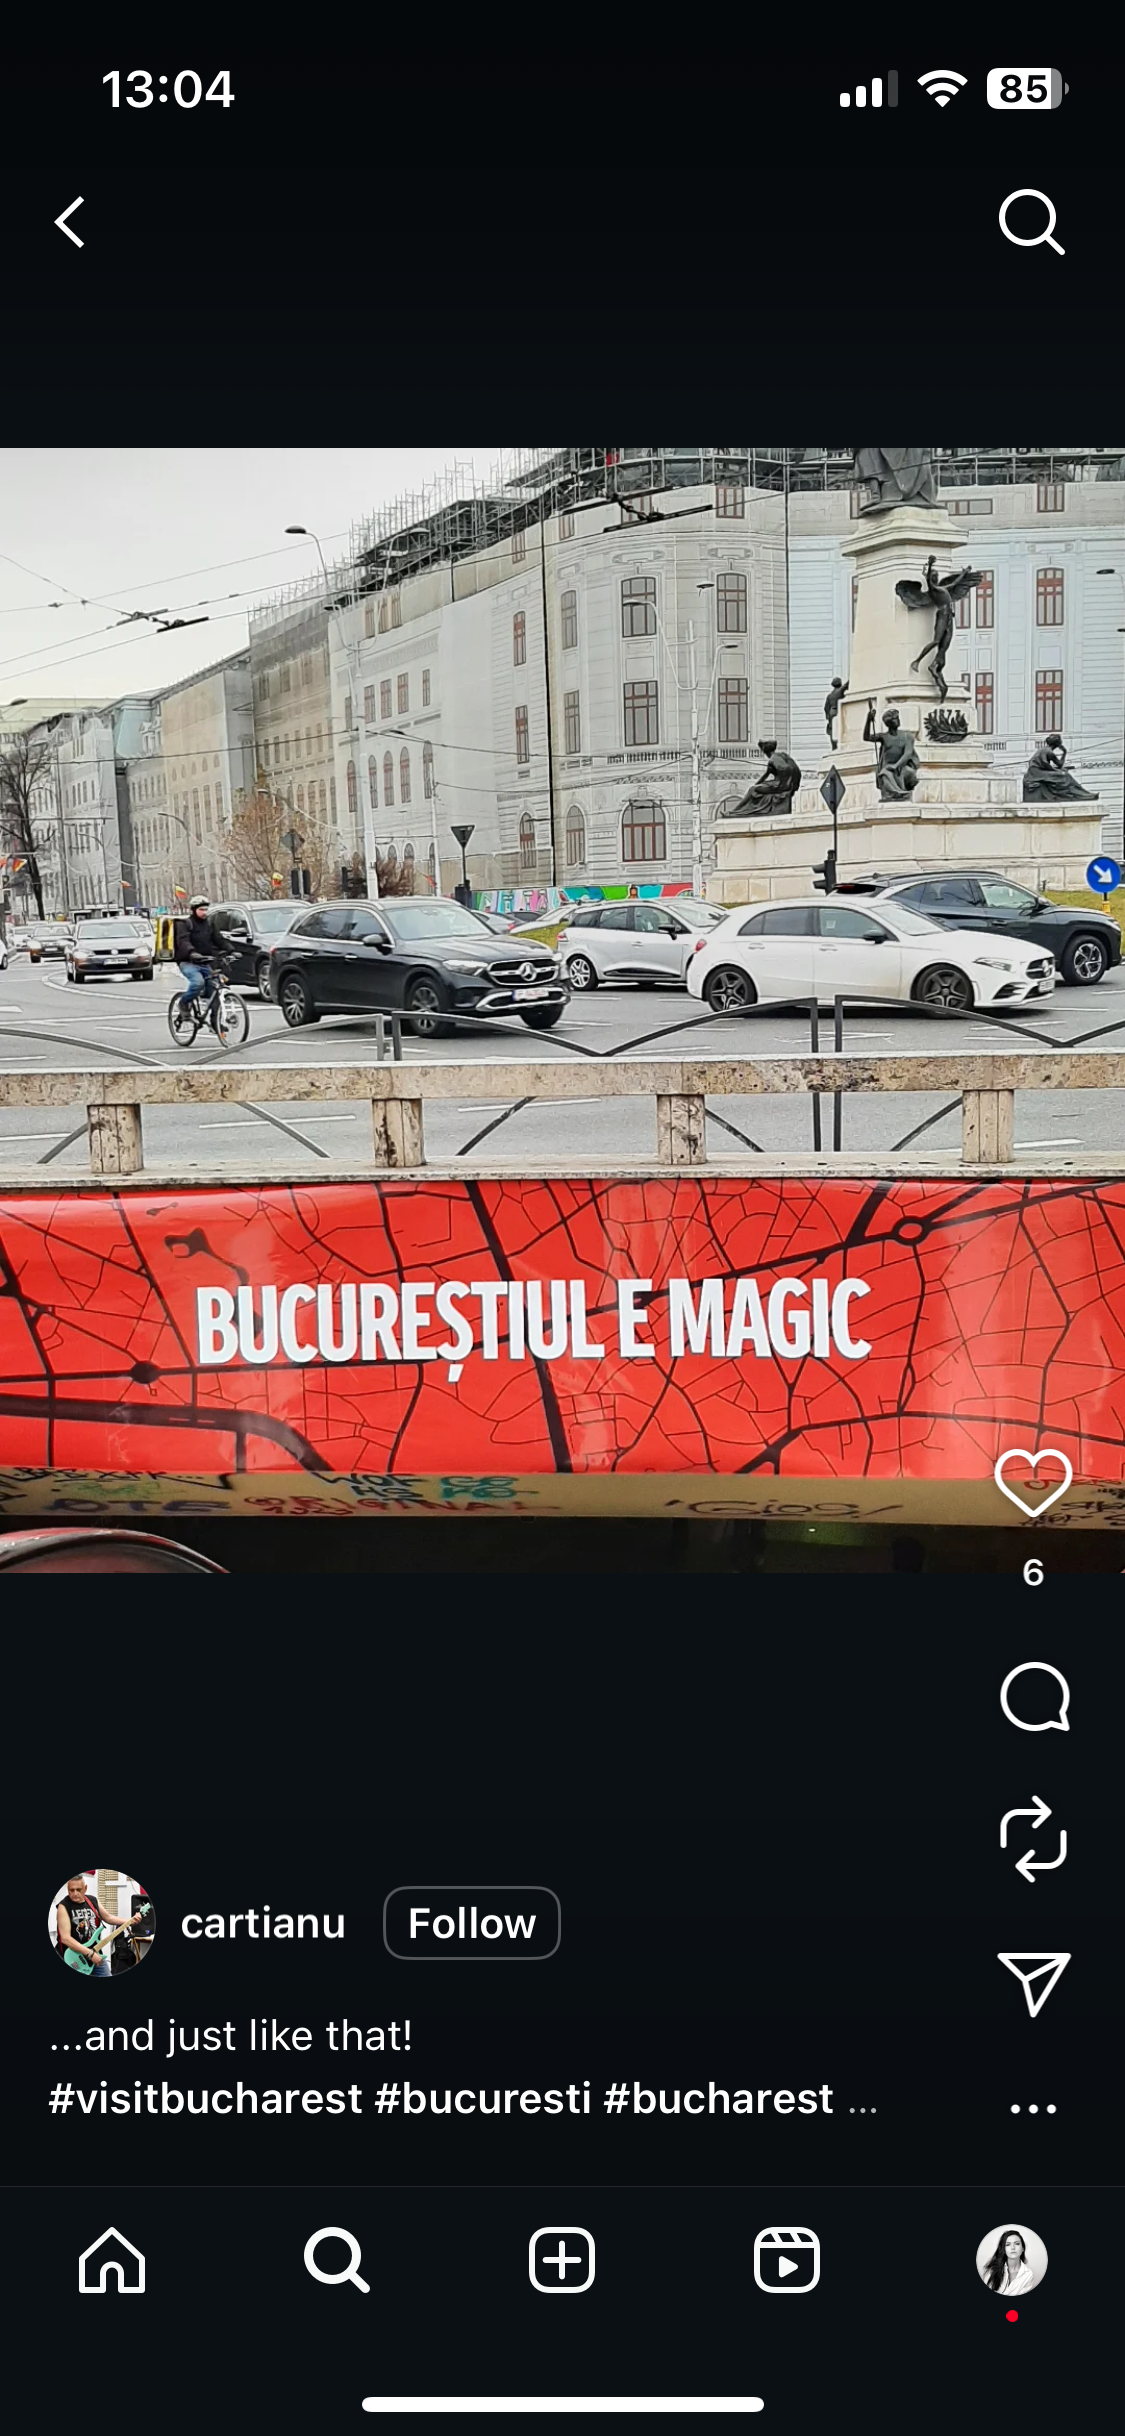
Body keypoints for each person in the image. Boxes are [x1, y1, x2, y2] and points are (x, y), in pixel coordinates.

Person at [55, 1875, 143, 1977]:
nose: (75, 1893)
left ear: (85, 1888)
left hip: (95, 1952)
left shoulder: (92, 1901)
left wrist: (130, 1921)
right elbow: (65, 1938)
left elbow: (109, 1918)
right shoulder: (63, 1906)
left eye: (78, 1890)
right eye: (71, 1890)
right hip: (73, 1957)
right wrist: (89, 1954)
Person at [173, 895, 221, 1028]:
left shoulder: (209, 924)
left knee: (215, 991)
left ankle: (215, 1023)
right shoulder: (185, 924)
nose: (204, 912)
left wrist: (231, 950)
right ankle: (184, 1003)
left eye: (206, 909)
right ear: (194, 910)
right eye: (201, 910)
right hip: (188, 961)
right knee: (197, 982)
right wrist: (192, 953)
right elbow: (183, 941)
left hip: (205, 961)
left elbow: (219, 939)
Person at [981, 2230, 1034, 2296]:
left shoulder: (1028, 2275)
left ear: (1023, 2248)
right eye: (1008, 2244)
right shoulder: (992, 2270)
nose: (1012, 2248)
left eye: (1017, 2243)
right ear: (1003, 2249)